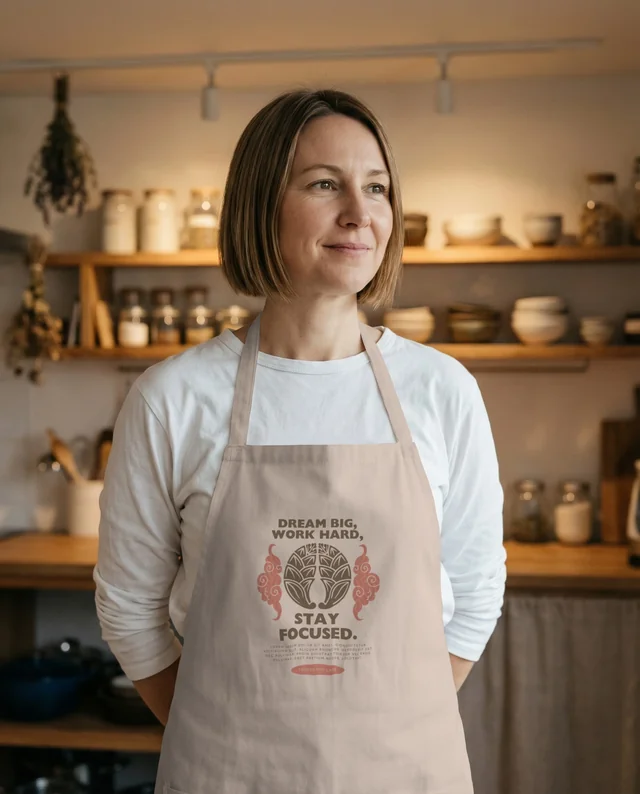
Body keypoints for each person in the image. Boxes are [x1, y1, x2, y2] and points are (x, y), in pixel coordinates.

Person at [95, 88, 506, 793]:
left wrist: (389, 728)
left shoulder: (443, 391)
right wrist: (219, 737)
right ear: (260, 203)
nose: (360, 212)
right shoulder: (173, 399)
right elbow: (129, 608)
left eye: (376, 188)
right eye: (324, 184)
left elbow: (476, 588)